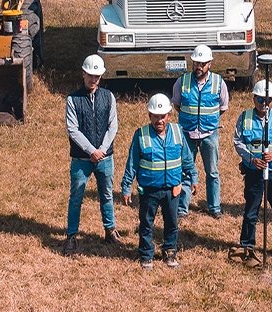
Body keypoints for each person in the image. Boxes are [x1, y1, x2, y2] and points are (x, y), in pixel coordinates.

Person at [121, 94, 195, 269]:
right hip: (149, 190)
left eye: (163, 116)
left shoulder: (178, 132)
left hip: (172, 189)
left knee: (172, 223)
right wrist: (126, 187)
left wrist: (194, 178)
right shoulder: (141, 135)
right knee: (146, 223)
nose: (159, 120)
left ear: (169, 115)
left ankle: (170, 252)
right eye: (156, 116)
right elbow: (132, 164)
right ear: (150, 116)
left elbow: (187, 160)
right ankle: (146, 255)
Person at [233, 80, 272, 267]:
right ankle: (247, 247)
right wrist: (251, 158)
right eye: (260, 99)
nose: (264, 104)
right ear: (254, 98)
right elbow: (238, 142)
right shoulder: (244, 117)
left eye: (268, 100)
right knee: (251, 211)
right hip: (254, 172)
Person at [64, 55, 120, 257]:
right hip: (81, 159)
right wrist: (91, 151)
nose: (93, 80)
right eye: (90, 75)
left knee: (107, 195)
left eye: (97, 76)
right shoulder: (73, 99)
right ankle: (71, 236)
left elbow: (112, 126)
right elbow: (73, 130)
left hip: (105, 158)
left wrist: (102, 150)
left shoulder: (109, 96)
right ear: (83, 73)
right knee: (76, 198)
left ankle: (110, 230)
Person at [171, 44, 229, 219]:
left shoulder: (219, 83)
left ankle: (214, 207)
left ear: (210, 64)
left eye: (202, 64)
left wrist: (208, 121)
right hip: (187, 135)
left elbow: (223, 107)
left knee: (212, 172)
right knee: (186, 171)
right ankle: (182, 208)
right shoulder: (182, 81)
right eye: (196, 63)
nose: (199, 67)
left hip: (209, 135)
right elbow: (177, 104)